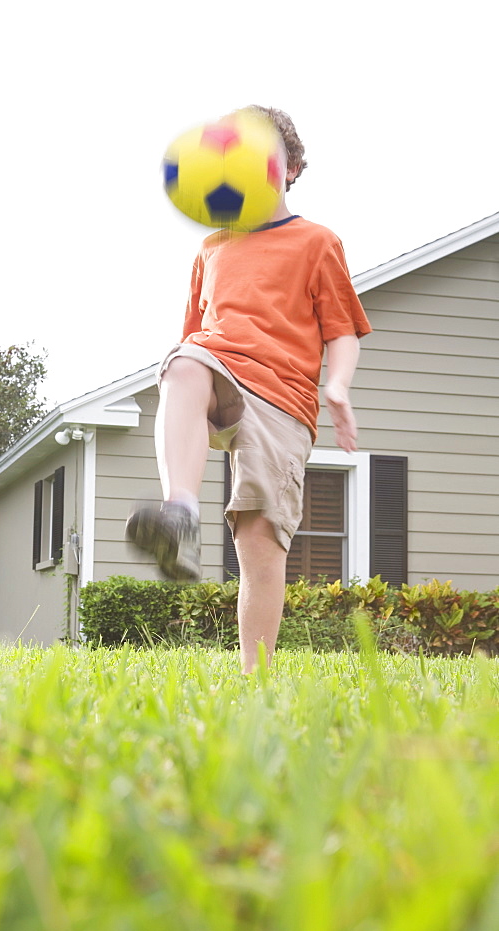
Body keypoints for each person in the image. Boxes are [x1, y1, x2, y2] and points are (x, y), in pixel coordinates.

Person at [126, 106, 371, 673]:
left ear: (291, 169)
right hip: (220, 367)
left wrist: (336, 385)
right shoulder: (211, 248)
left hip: (283, 398)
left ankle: (252, 678)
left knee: (259, 547)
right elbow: (194, 334)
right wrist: (191, 375)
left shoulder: (316, 242)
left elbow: (342, 332)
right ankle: (179, 514)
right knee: (182, 364)